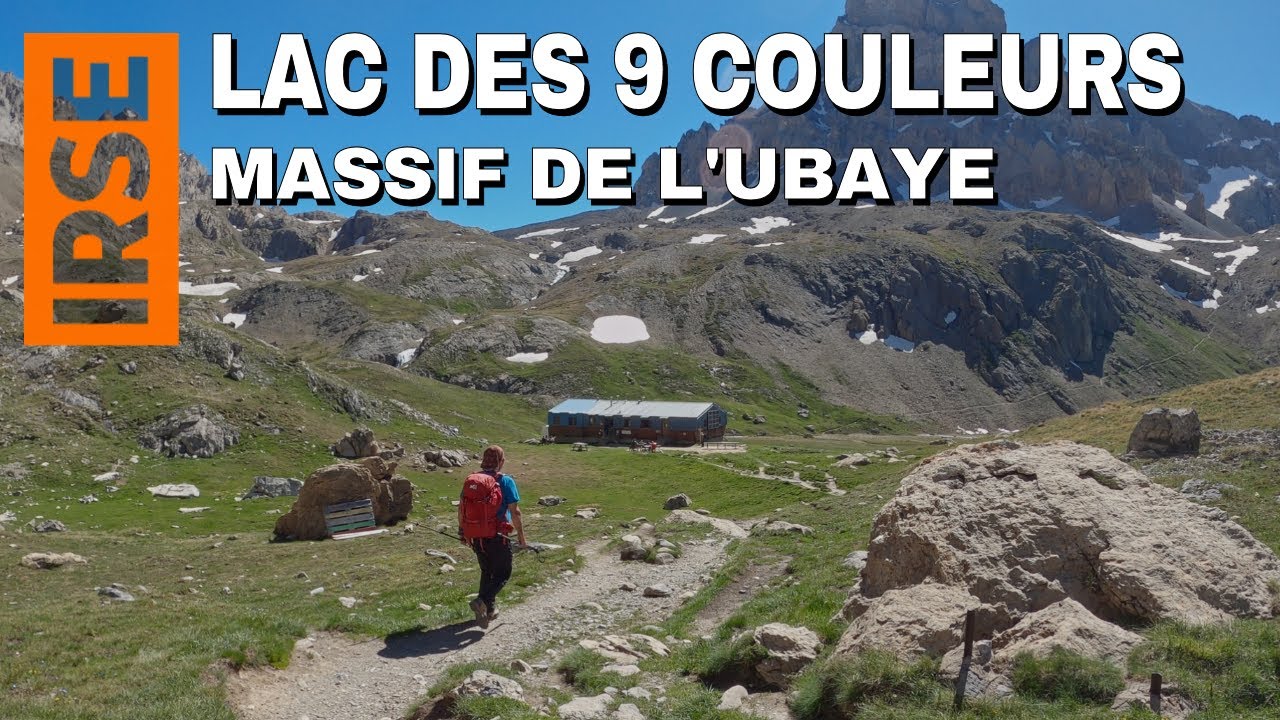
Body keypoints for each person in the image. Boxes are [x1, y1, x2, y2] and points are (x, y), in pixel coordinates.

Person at [459, 444, 526, 628]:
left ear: (483, 460)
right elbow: (515, 512)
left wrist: (463, 531)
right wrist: (521, 537)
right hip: (498, 536)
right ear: (501, 462)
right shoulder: (506, 481)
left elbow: (462, 508)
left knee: (487, 571)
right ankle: (482, 600)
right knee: (503, 572)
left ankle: (488, 611)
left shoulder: (472, 480)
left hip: (476, 536)